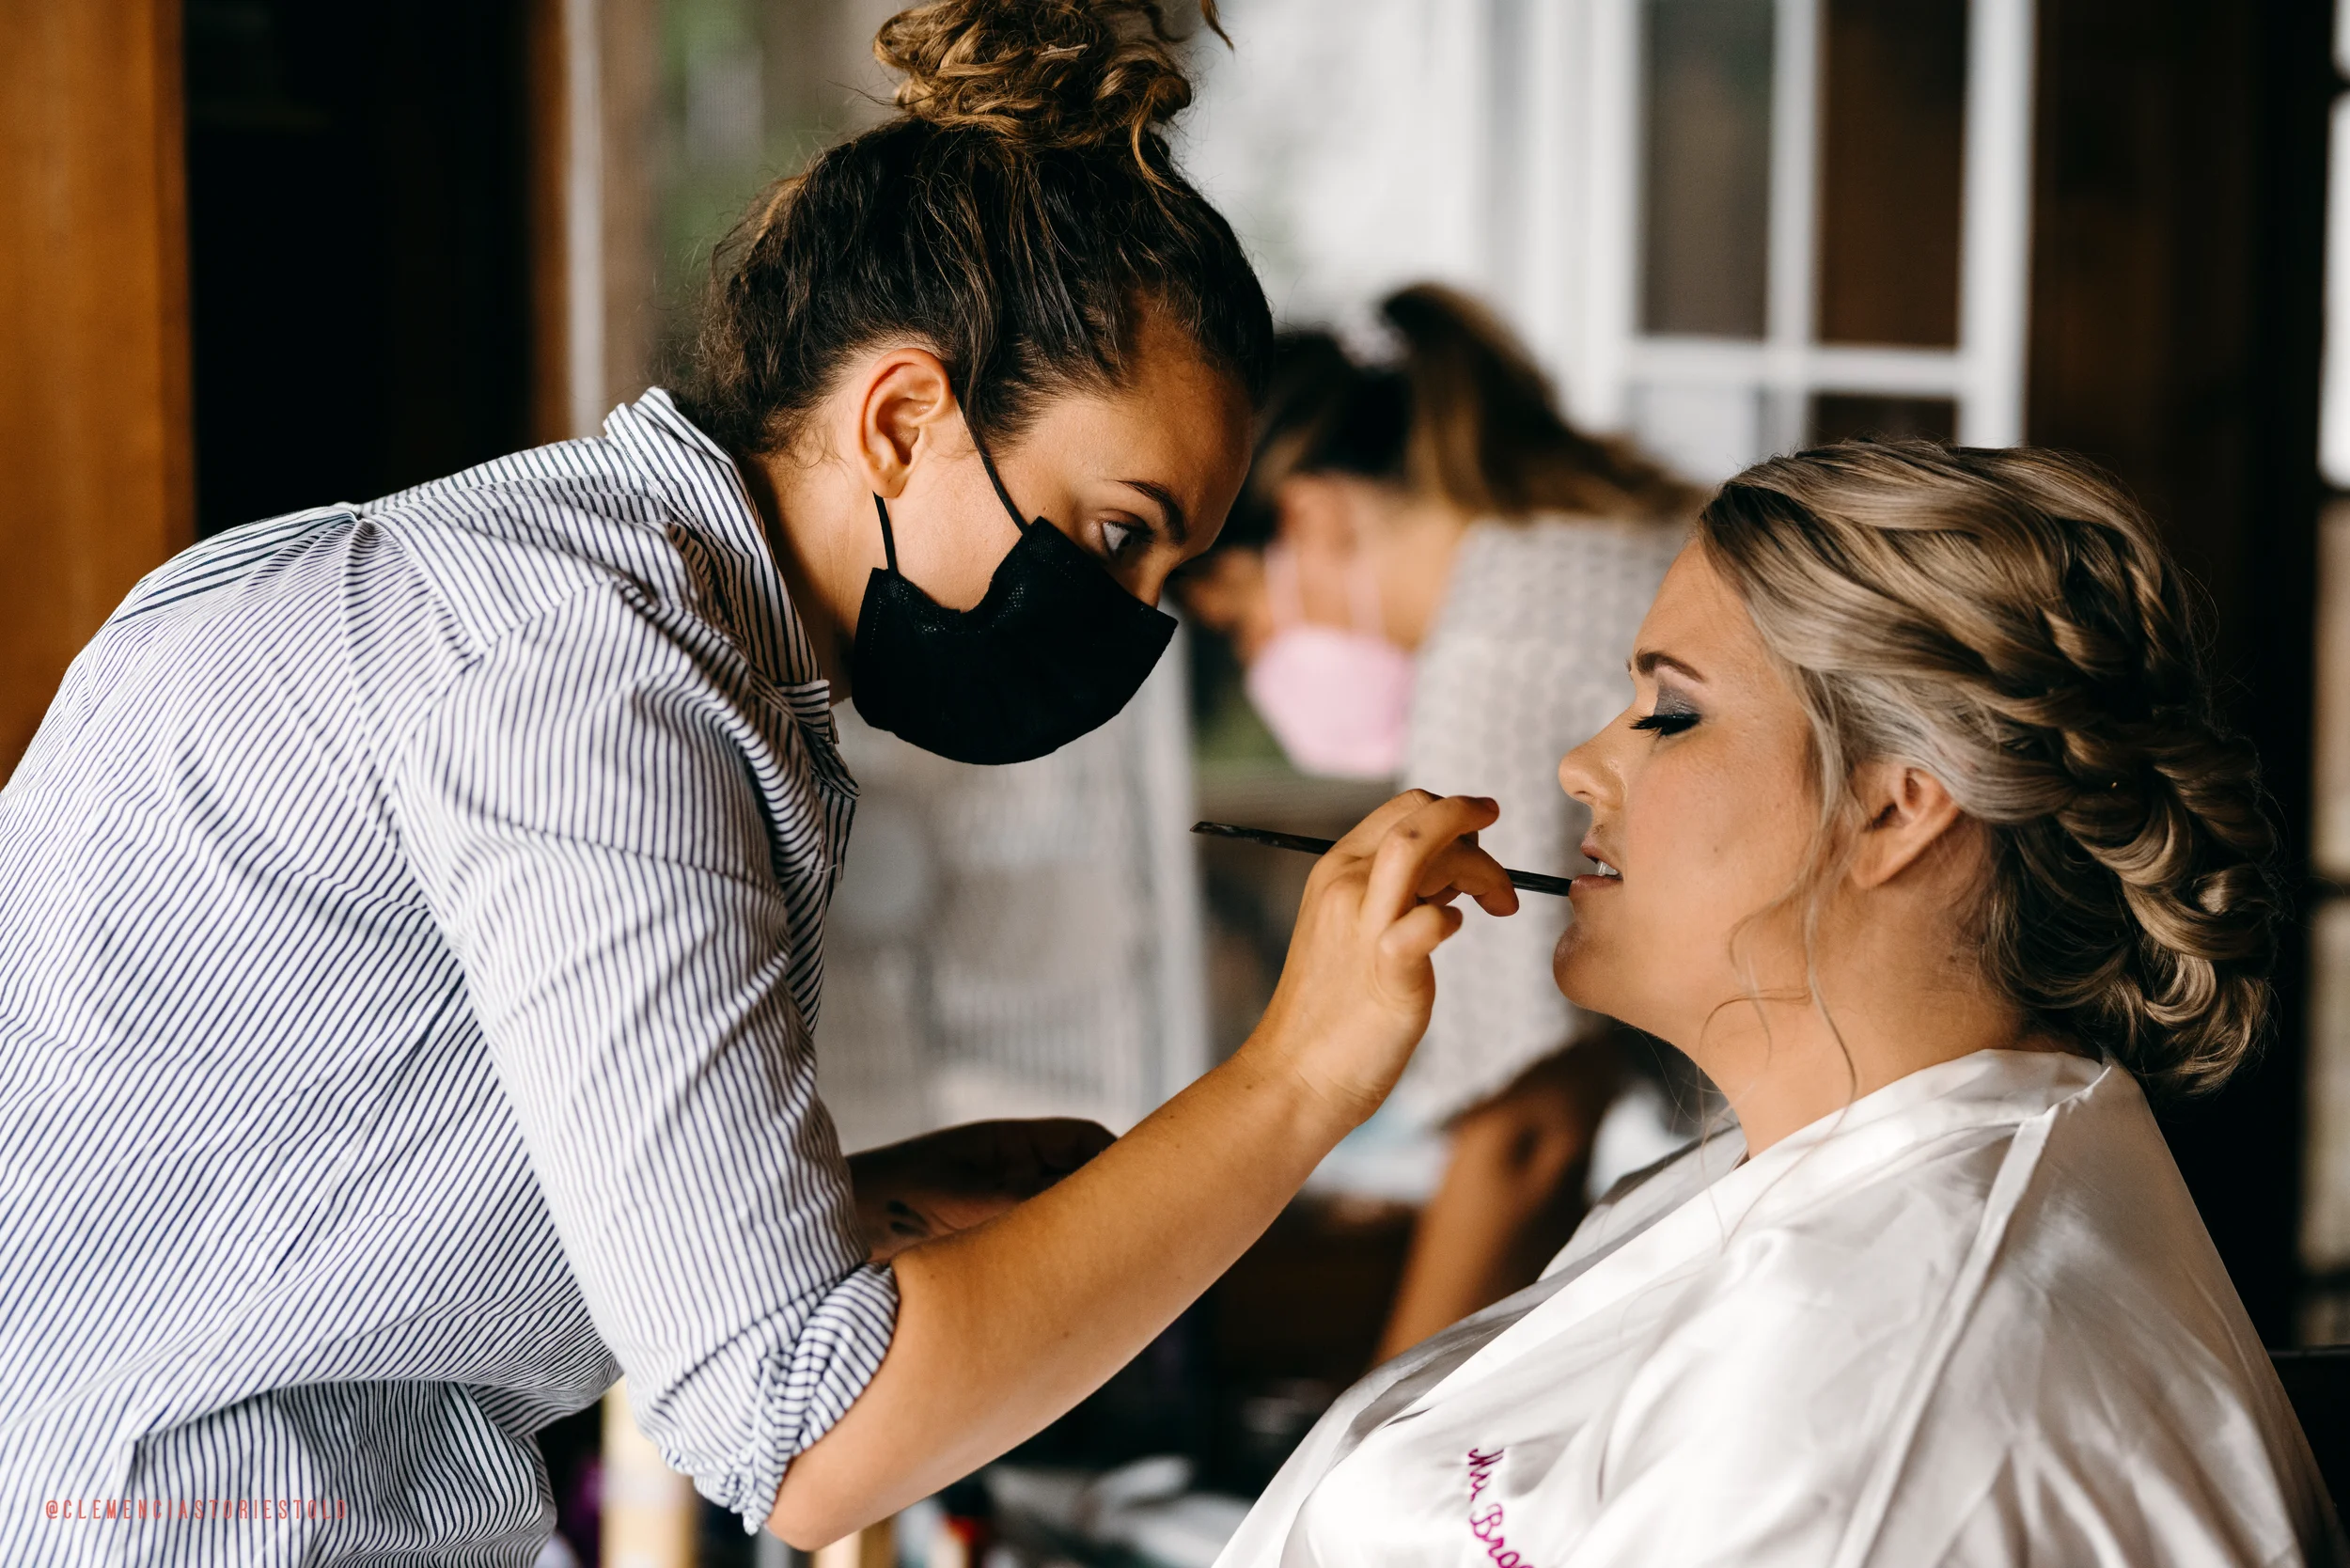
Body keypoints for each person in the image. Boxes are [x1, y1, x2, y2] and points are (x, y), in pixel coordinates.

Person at [0, 4, 1521, 1560]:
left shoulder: (557, 604)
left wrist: (856, 1207)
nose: (1135, 623)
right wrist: (1301, 1073)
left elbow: (306, 1182)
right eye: (1122, 531)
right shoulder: (592, 687)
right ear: (905, 416)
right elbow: (807, 1430)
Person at [1214, 441, 2345, 1566]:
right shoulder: (1771, 1177)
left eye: (1669, 712)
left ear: (1895, 808)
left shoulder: (1870, 1410)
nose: (1579, 765)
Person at [1179, 285, 1694, 1358]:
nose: (1253, 662)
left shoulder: (1490, 654)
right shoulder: (1601, 542)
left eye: (1239, 620)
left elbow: (1528, 1129)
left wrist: (1357, 1457)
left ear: (1311, 518)